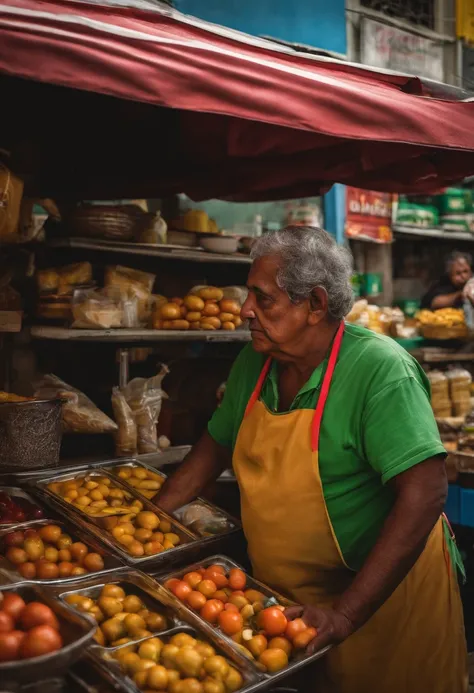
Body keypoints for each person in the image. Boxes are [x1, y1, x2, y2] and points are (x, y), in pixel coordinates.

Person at [157, 226, 468, 693]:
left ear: (316, 305)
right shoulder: (254, 362)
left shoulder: (380, 371)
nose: (245, 311)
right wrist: (151, 526)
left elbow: (426, 493)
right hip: (294, 604)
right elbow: (212, 448)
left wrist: (345, 614)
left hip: (385, 600)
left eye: (263, 299)